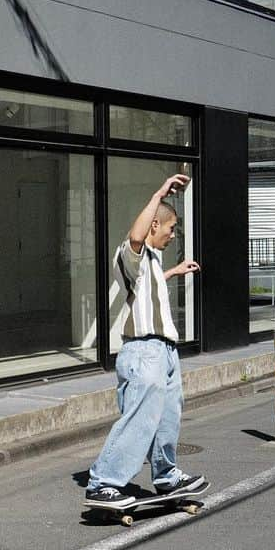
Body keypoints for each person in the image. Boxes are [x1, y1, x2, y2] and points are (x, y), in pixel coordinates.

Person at [84, 174, 206, 510]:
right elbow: (136, 236)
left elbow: (145, 288)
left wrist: (174, 272)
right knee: (139, 417)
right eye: (171, 228)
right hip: (144, 349)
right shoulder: (130, 253)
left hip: (165, 351)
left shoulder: (152, 263)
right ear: (155, 224)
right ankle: (103, 482)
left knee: (167, 418)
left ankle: (167, 476)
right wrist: (159, 193)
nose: (173, 234)